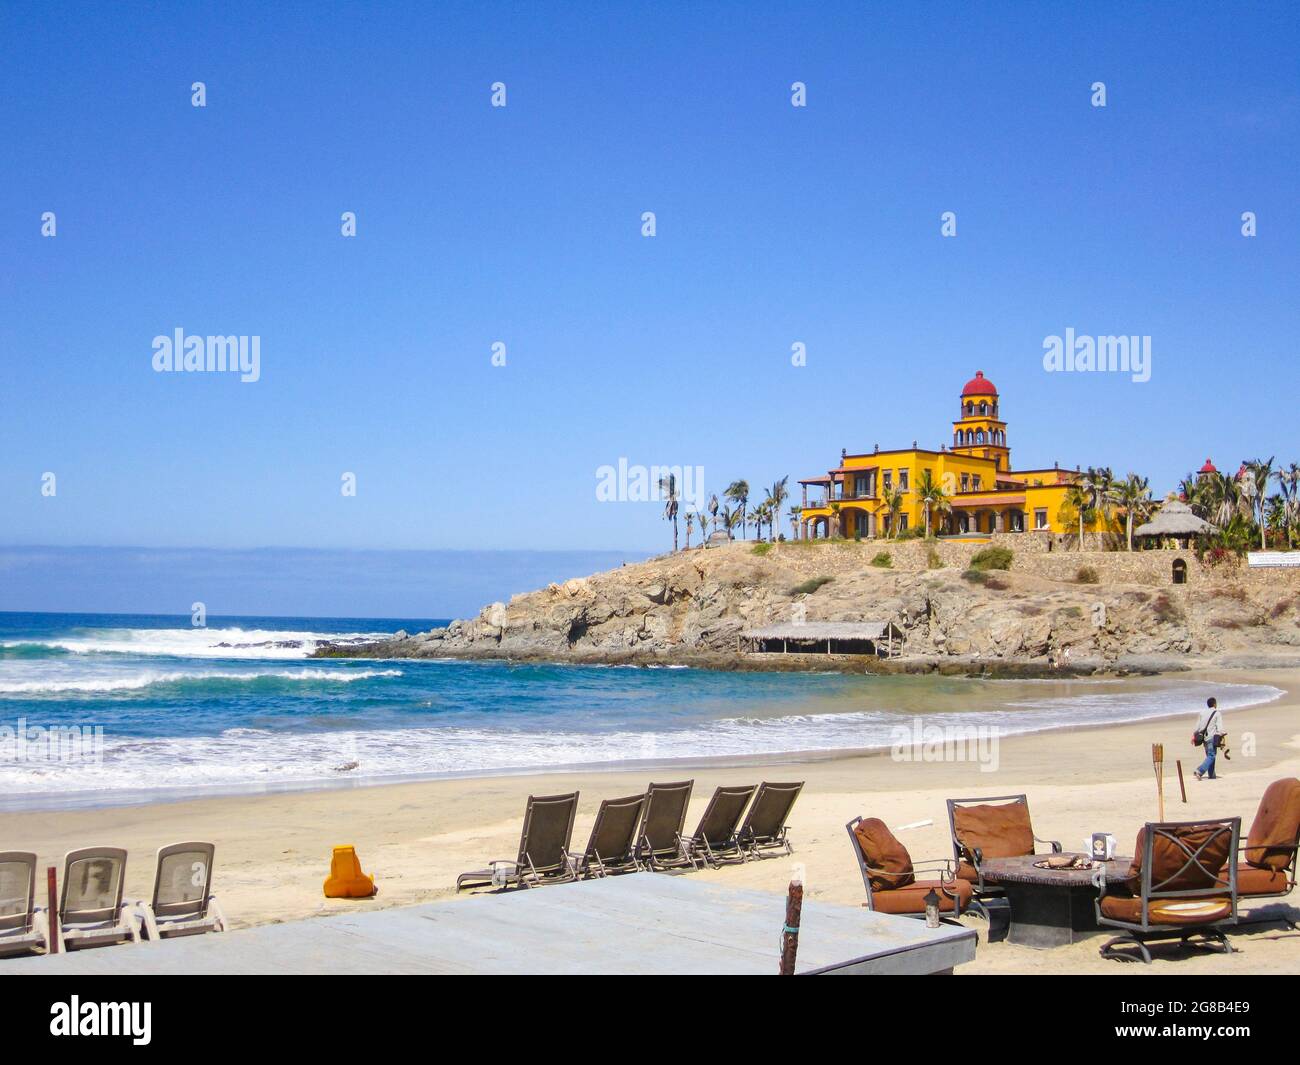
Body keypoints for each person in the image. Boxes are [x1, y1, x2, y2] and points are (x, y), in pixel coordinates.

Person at [1194, 697, 1226, 780]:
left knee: (1210, 756)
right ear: (1215, 704)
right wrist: (1222, 733)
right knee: (1212, 756)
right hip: (1212, 737)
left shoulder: (1202, 713)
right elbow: (1220, 727)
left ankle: (1212, 775)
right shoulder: (1217, 713)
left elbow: (1197, 727)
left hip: (1204, 738)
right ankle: (1200, 771)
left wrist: (1194, 736)